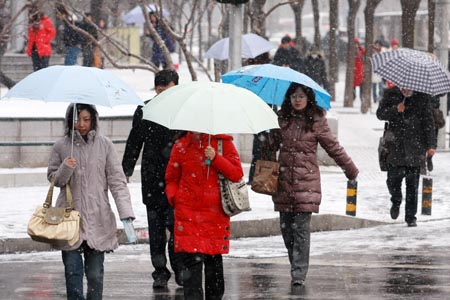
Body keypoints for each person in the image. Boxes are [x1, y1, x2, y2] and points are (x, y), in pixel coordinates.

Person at [264, 82, 359, 286]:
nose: (297, 100)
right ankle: (295, 264)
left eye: (301, 96)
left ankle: (298, 273)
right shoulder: (282, 119)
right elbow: (270, 146)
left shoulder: (317, 120)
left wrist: (350, 169)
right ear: (288, 99)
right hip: (283, 182)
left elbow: (334, 147)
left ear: (308, 98)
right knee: (287, 230)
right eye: (293, 96)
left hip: (306, 183)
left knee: (300, 229)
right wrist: (268, 128)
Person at [47, 103, 135, 300]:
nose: (81, 125)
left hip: (98, 218)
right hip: (70, 221)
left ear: (94, 120)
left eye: (86, 120)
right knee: (73, 275)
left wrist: (126, 214)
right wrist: (65, 168)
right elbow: (54, 180)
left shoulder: (105, 145)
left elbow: (117, 182)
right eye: (77, 120)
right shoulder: (62, 146)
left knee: (95, 276)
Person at [122, 70, 183, 289]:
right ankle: (159, 271)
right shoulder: (145, 110)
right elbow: (134, 142)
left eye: (168, 87)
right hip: (152, 179)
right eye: (159, 87)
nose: (163, 91)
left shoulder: (184, 111)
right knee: (156, 231)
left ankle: (180, 268)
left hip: (178, 179)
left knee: (177, 227)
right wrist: (126, 169)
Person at [165, 131, 244, 299]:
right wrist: (175, 198)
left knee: (213, 266)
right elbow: (171, 178)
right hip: (188, 214)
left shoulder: (223, 142)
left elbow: (236, 173)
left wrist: (216, 158)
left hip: (215, 216)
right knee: (191, 268)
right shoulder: (181, 145)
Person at [376, 87, 436, 227]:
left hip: (415, 147)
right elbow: (380, 114)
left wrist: (431, 145)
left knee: (412, 186)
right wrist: (396, 110)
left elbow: (428, 123)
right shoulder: (391, 94)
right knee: (393, 180)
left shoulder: (422, 97)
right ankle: (396, 200)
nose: (405, 89)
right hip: (395, 147)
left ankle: (411, 216)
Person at [26, 5, 56, 71]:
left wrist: (44, 40)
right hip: (34, 49)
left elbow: (52, 32)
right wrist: (29, 49)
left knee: (43, 69)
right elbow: (31, 37)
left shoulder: (45, 21)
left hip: (43, 49)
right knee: (36, 69)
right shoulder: (31, 23)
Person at [0, 0, 15, 88]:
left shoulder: (4, 12)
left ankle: (11, 84)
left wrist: (2, 40)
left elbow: (6, 29)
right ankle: (11, 84)